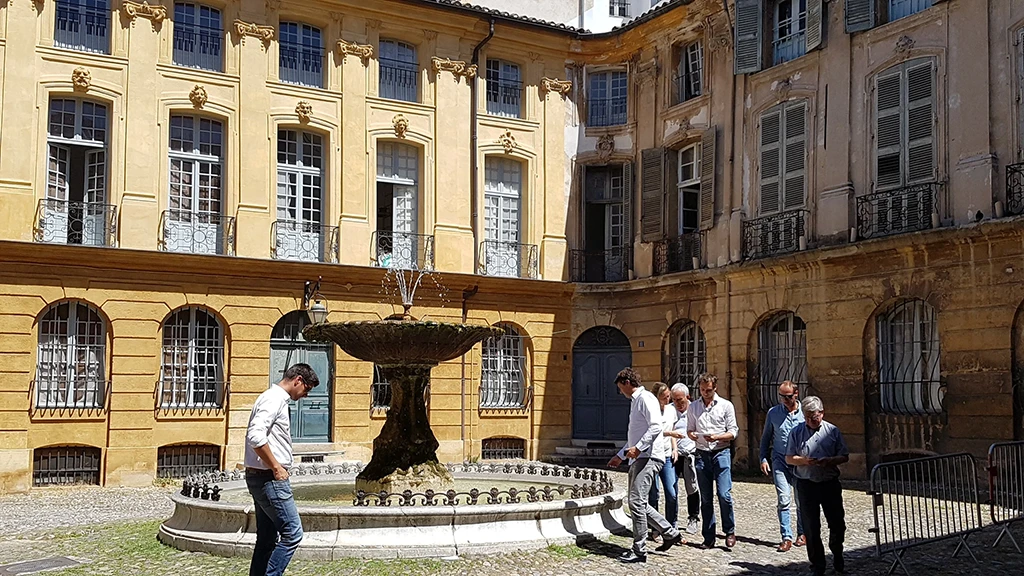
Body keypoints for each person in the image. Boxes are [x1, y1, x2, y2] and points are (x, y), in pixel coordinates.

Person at [245, 363, 320, 576]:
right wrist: (276, 467)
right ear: (298, 380)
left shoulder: (270, 397)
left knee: (267, 538)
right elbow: (255, 436)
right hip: (269, 479)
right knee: (293, 533)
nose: (306, 395)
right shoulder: (274, 399)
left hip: (259, 477)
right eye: (306, 389)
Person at [606, 368, 683, 563]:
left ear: (627, 383)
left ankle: (639, 550)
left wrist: (639, 449)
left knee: (636, 502)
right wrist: (620, 455)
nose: (620, 391)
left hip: (648, 457)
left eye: (620, 387)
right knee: (637, 502)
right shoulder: (636, 401)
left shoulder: (645, 398)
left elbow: (656, 426)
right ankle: (669, 532)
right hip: (640, 457)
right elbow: (636, 436)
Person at [785, 396, 849, 576]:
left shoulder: (832, 431)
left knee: (837, 523)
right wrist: (804, 460)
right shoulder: (796, 432)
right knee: (811, 528)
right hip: (806, 484)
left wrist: (830, 461)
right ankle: (817, 565)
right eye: (806, 417)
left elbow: (844, 455)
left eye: (813, 417)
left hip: (829, 483)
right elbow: (789, 458)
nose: (810, 421)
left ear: (821, 413)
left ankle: (837, 553)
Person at [687, 372, 738, 549]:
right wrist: (693, 435)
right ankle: (708, 536)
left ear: (714, 388)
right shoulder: (693, 407)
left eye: (708, 390)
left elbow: (733, 432)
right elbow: (690, 430)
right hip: (701, 453)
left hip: (721, 452)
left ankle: (729, 530)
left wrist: (717, 436)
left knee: (724, 494)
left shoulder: (725, 406)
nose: (705, 393)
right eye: (702, 390)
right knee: (706, 498)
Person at [759, 380, 806, 552]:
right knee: (783, 498)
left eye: (787, 397)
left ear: (796, 394)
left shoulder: (805, 413)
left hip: (800, 461)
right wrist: (763, 458)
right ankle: (786, 536)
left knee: (801, 500)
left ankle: (802, 533)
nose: (784, 400)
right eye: (781, 397)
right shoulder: (773, 413)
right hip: (779, 460)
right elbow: (766, 438)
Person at [662, 382, 701, 535]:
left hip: (690, 453)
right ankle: (672, 521)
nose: (677, 403)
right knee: (672, 489)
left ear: (687, 397)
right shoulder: (669, 410)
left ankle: (693, 517)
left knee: (692, 487)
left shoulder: (695, 409)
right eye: (674, 400)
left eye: (680, 400)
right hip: (672, 454)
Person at [647, 382, 679, 532]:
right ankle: (655, 527)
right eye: (664, 398)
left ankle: (671, 525)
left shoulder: (671, 410)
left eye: (669, 397)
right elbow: (651, 431)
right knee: (653, 494)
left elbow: (672, 429)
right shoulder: (650, 411)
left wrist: (675, 448)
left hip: (666, 455)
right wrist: (669, 434)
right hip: (652, 455)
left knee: (671, 492)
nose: (668, 400)